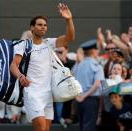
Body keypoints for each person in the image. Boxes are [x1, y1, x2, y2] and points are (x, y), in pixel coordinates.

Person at [10, 3, 75, 131]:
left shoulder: (49, 43)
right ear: (32, 28)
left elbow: (70, 38)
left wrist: (69, 20)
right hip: (32, 93)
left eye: (45, 25)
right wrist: (21, 76)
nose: (43, 27)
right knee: (40, 128)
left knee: (45, 129)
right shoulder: (23, 45)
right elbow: (13, 66)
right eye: (39, 24)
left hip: (48, 94)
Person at [74, 39, 105, 131]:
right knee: (89, 127)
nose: (98, 52)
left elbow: (72, 82)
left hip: (78, 100)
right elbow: (96, 85)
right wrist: (84, 96)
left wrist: (78, 96)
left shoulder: (78, 65)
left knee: (82, 126)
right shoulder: (97, 66)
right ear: (93, 51)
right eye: (97, 50)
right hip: (90, 100)